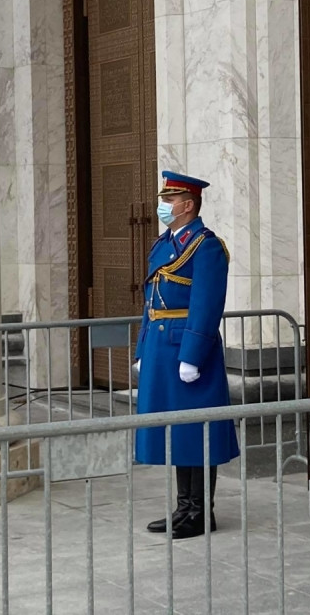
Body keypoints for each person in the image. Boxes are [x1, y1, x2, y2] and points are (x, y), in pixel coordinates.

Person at [132, 170, 240, 539]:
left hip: (189, 350)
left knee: (199, 431)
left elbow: (206, 304)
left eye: (169, 200)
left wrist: (193, 355)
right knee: (177, 431)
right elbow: (150, 302)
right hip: (162, 350)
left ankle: (200, 511)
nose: (163, 206)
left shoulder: (207, 246)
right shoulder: (162, 245)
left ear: (188, 205)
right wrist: (143, 348)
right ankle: (183, 507)